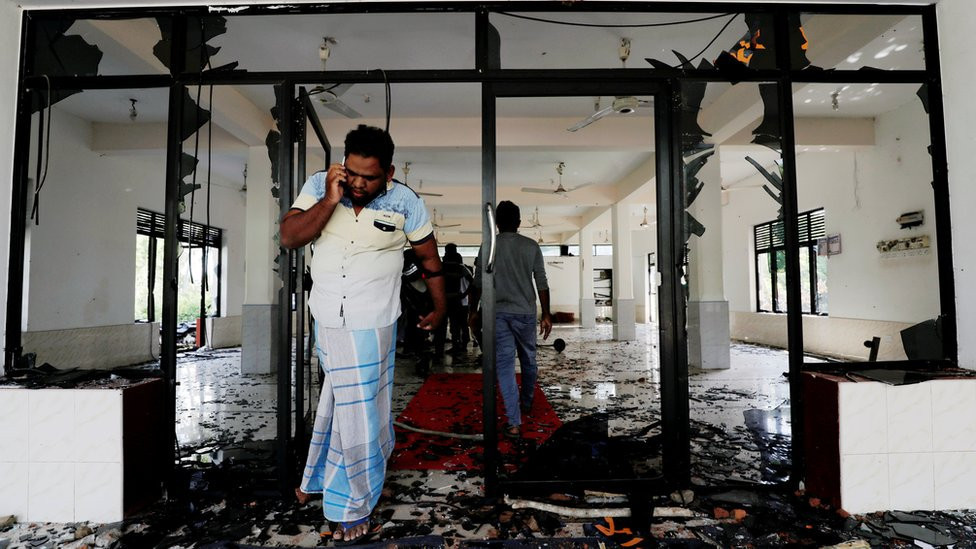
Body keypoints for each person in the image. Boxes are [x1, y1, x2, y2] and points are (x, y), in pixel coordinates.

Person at [280, 124, 446, 545]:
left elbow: (428, 257)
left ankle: (353, 503)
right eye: (351, 173)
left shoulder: (405, 200)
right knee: (342, 405)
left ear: (388, 172)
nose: (357, 183)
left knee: (359, 413)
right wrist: (331, 199)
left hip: (373, 322)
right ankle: (321, 475)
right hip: (328, 321)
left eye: (368, 177)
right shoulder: (322, 186)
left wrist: (440, 305)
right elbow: (290, 236)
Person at [469, 200, 552, 440]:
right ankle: (526, 402)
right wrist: (545, 313)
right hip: (525, 312)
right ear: (518, 222)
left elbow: (477, 283)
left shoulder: (488, 246)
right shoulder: (531, 246)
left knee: (505, 366)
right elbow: (542, 282)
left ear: (495, 223)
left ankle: (514, 423)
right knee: (528, 359)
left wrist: (473, 311)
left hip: (498, 314)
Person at [433, 243, 474, 356]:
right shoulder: (460, 266)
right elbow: (472, 282)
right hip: (456, 298)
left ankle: (439, 350)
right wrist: (464, 294)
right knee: (456, 324)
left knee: (442, 326)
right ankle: (456, 346)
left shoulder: (442, 265)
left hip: (444, 299)